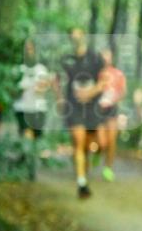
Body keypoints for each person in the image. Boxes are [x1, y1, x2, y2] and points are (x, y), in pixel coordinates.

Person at [59, 28, 104, 199]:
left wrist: (90, 93)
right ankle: (81, 183)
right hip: (74, 107)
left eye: (78, 34)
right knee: (78, 142)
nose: (75, 38)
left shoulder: (96, 58)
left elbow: (104, 81)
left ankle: (84, 173)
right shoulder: (66, 60)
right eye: (72, 35)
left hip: (92, 108)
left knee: (88, 145)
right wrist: (60, 99)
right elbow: (59, 80)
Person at [14, 39, 54, 179]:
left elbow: (45, 87)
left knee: (35, 140)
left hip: (37, 109)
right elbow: (11, 90)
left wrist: (42, 85)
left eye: (31, 48)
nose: (29, 51)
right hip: (22, 108)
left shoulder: (41, 69)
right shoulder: (18, 69)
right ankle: (30, 167)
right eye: (27, 48)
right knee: (26, 136)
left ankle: (30, 163)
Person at [96, 47, 126, 182]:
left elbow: (122, 92)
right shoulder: (95, 74)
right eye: (103, 56)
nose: (105, 58)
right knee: (102, 142)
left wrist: (113, 100)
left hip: (112, 109)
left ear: (111, 58)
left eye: (107, 55)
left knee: (111, 140)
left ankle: (108, 168)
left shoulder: (118, 74)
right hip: (97, 110)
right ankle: (97, 151)